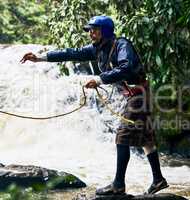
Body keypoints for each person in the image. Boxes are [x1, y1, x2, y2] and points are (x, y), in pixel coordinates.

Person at [20, 16, 168, 195]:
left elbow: (126, 67)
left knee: (122, 137)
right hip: (134, 96)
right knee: (146, 140)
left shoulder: (122, 45)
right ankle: (158, 180)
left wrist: (99, 79)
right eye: (90, 30)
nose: (91, 33)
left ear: (105, 31)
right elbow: (71, 53)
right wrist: (40, 58)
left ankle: (118, 185)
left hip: (138, 96)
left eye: (94, 29)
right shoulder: (97, 49)